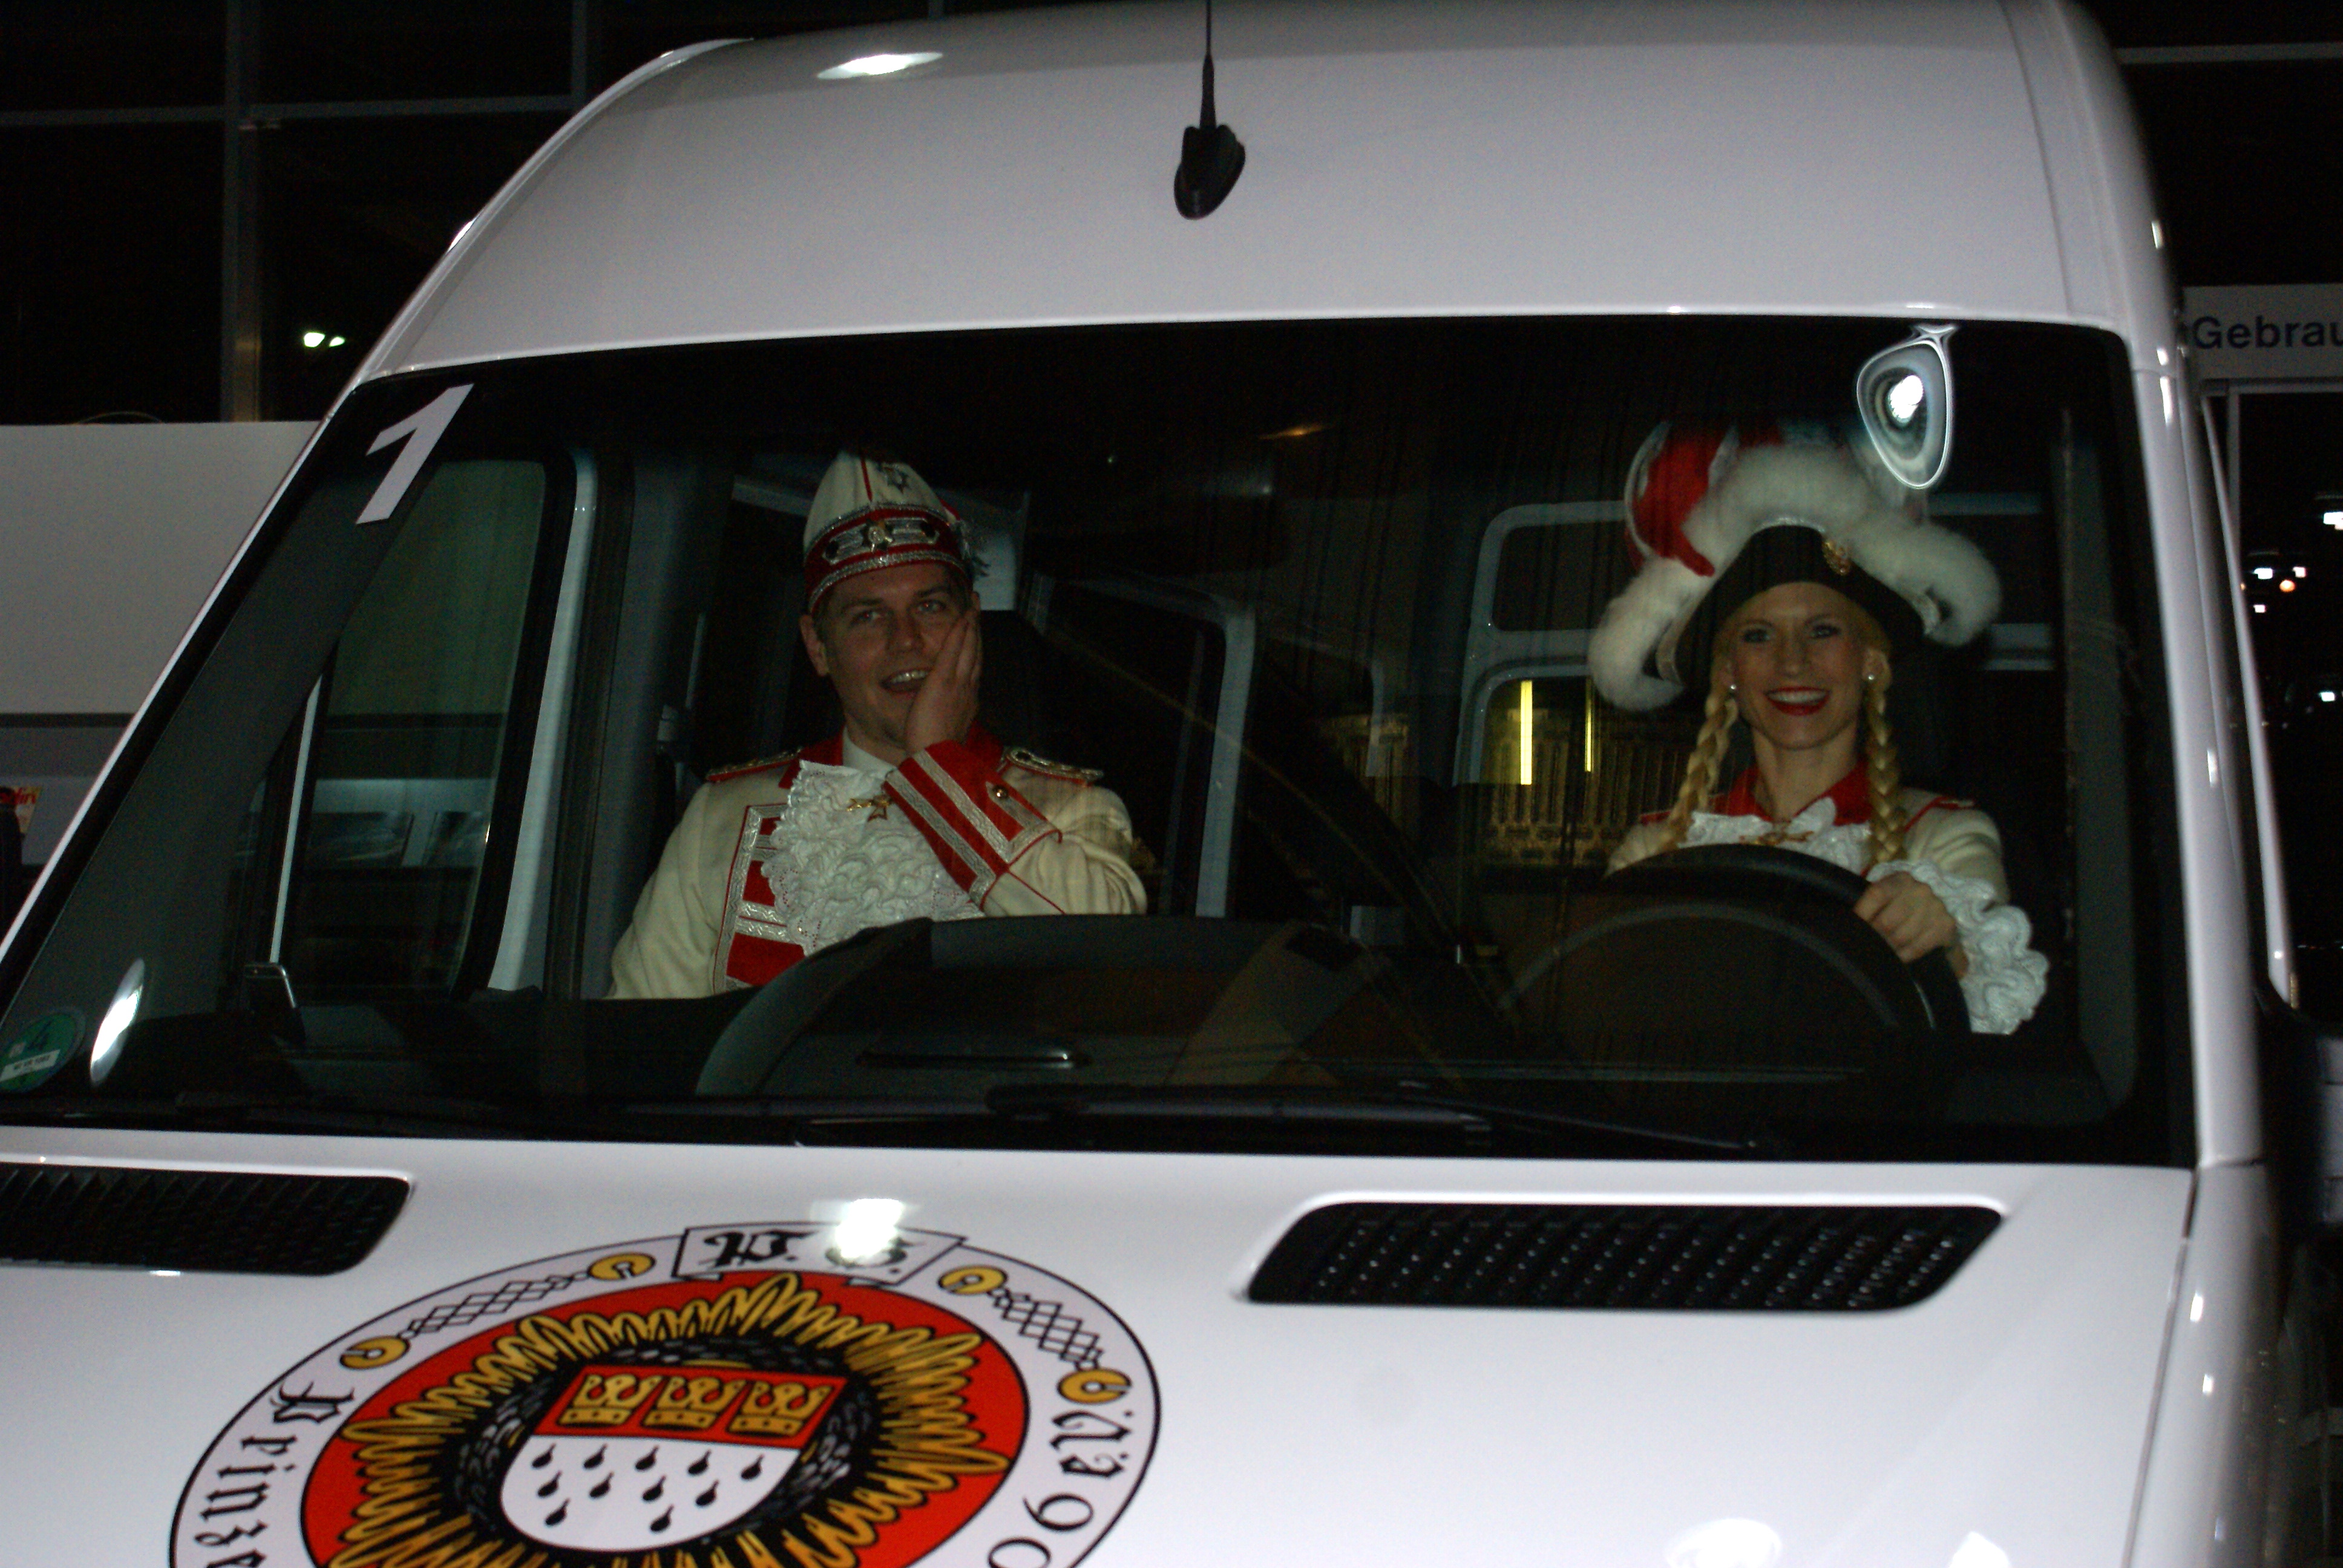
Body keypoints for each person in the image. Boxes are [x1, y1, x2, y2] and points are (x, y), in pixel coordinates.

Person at [608, 451, 1144, 999]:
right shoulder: (723, 818)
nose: (905, 639)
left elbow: (1106, 961)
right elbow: (639, 1031)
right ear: (818, 647)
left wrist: (938, 766)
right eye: (868, 616)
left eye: (930, 607)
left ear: (972, 623)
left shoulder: (1071, 810)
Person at [1588, 422, 2047, 1034]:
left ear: (1871, 660)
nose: (1792, 663)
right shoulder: (1653, 851)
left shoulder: (1944, 839)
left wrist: (1947, 944)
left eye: (1823, 631)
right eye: (1758, 636)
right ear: (1727, 672)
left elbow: (1979, 1043)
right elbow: (1609, 1022)